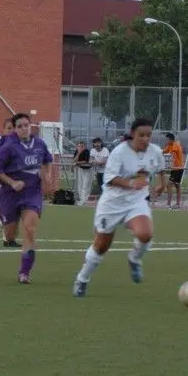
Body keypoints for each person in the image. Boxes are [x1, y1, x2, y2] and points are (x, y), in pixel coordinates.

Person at [72, 118, 166, 298]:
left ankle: (134, 259)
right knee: (101, 246)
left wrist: (161, 184)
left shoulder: (155, 152)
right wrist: (132, 183)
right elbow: (110, 179)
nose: (145, 139)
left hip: (137, 201)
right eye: (141, 135)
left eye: (148, 135)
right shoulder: (120, 152)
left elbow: (161, 169)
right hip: (112, 203)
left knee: (146, 234)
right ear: (133, 134)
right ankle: (82, 279)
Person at [0, 113, 54, 284]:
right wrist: (12, 182)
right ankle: (9, 233)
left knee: (30, 230)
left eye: (27, 125)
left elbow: (48, 160)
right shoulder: (8, 146)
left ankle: (24, 272)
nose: (24, 129)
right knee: (10, 236)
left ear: (31, 126)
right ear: (15, 129)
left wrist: (47, 174)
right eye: (20, 126)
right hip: (10, 193)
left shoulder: (39, 143)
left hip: (32, 191)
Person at [162, 132, 185, 209]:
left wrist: (170, 165)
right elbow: (163, 152)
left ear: (170, 140)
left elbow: (174, 157)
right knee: (177, 186)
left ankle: (169, 204)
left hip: (178, 169)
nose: (166, 141)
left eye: (167, 139)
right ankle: (178, 204)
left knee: (169, 185)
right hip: (175, 169)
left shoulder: (175, 145)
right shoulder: (170, 145)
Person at [73, 140, 94, 205]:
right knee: (80, 185)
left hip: (88, 170)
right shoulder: (77, 151)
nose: (80, 148)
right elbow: (74, 160)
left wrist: (77, 163)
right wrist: (79, 153)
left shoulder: (87, 151)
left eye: (82, 146)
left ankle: (84, 200)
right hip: (80, 169)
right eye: (79, 146)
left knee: (86, 185)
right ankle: (81, 199)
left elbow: (86, 161)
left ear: (84, 147)